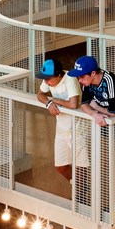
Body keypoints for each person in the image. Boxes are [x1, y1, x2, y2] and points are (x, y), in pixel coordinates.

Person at [70, 55, 115, 210]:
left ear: (93, 73)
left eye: (81, 76)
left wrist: (96, 108)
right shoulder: (87, 84)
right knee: (107, 164)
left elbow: (114, 113)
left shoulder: (110, 81)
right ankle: (111, 198)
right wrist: (94, 114)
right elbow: (84, 105)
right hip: (105, 127)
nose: (79, 80)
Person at [35, 58, 87, 187]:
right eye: (45, 79)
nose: (46, 82)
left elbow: (73, 104)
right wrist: (48, 103)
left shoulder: (70, 78)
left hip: (78, 128)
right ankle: (79, 188)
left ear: (58, 75)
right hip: (62, 129)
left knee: (80, 167)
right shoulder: (49, 79)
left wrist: (56, 100)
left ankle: (81, 195)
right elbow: (40, 94)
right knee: (60, 166)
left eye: (48, 79)